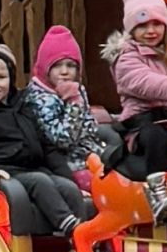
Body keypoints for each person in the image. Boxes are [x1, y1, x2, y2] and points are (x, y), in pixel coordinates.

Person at [0, 35, 89, 239]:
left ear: (11, 79)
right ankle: (71, 228)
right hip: (5, 172)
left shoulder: (22, 107)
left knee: (68, 189)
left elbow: (47, 147)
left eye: (0, 77)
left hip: (32, 168)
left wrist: (69, 179)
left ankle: (82, 246)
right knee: (40, 182)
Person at [103, 0, 167, 224]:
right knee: (156, 137)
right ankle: (158, 194)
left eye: (156, 24)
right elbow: (145, 82)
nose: (151, 31)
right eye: (142, 25)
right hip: (144, 123)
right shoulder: (126, 58)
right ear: (131, 29)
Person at [20, 25, 113, 193]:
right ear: (45, 69)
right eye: (56, 66)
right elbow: (63, 139)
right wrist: (74, 104)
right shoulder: (40, 98)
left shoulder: (76, 89)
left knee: (122, 172)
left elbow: (89, 127)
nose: (64, 72)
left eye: (70, 65)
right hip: (66, 163)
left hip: (90, 155)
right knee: (104, 187)